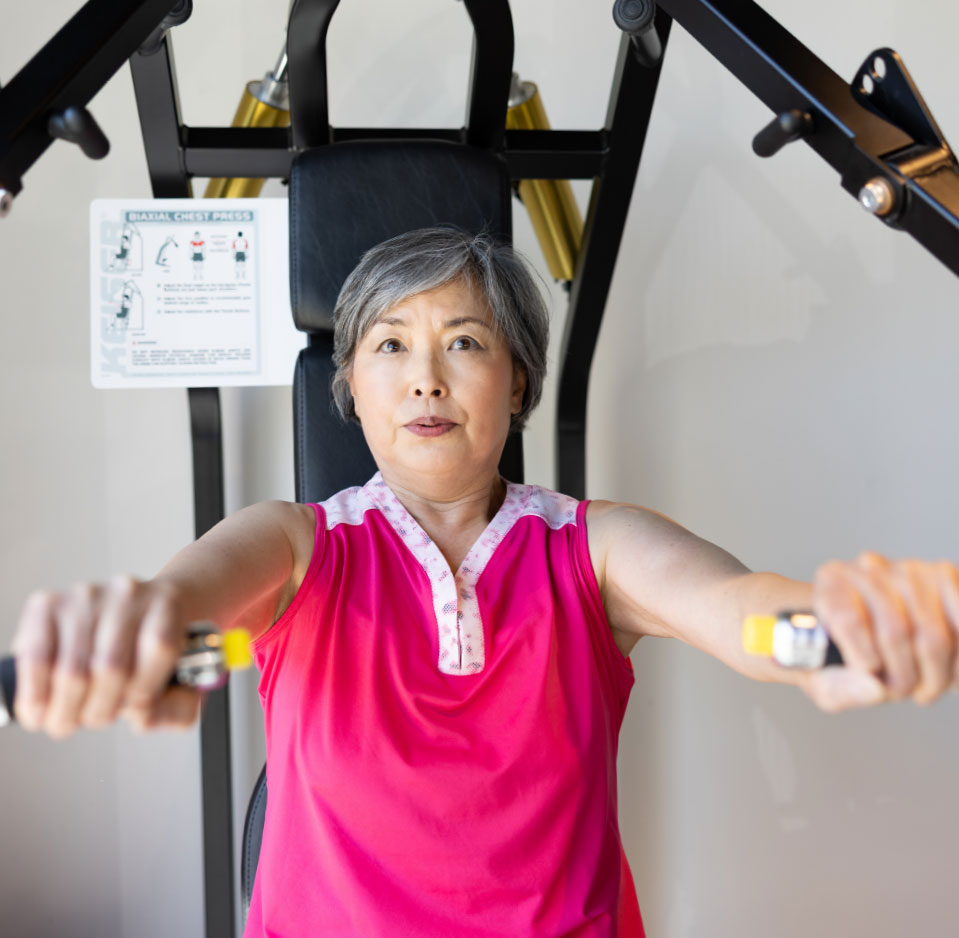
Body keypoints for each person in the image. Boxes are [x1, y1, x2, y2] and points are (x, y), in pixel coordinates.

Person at [11, 227, 958, 937]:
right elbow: (184, 624)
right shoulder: (295, 548)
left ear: (517, 382)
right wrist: (131, 640)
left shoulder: (593, 551)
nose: (425, 378)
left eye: (463, 342)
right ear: (350, 383)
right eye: (389, 346)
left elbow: (746, 620)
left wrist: (834, 631)